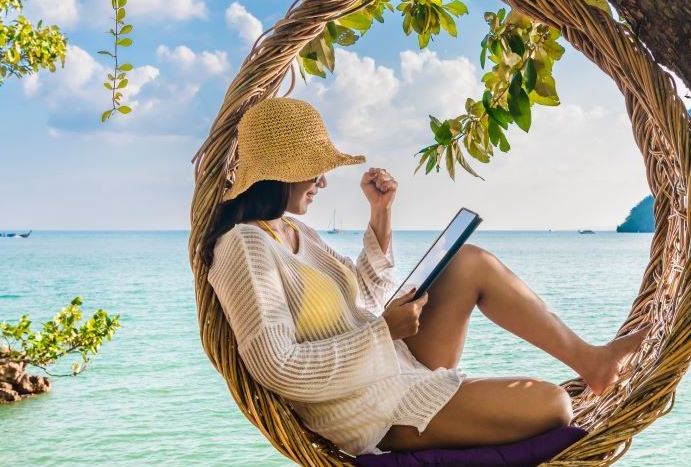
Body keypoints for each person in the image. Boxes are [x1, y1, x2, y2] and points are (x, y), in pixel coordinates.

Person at [202, 97, 648, 456]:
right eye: (314, 170)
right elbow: (275, 366)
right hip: (366, 409)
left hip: (392, 365)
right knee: (554, 405)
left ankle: (591, 361)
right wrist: (381, 333)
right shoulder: (244, 245)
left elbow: (366, 297)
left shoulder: (296, 231)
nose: (321, 181)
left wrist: (381, 215)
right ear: (281, 172)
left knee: (468, 260)